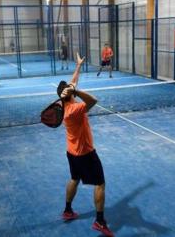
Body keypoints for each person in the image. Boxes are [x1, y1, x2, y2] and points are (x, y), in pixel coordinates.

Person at [57, 53, 114, 237]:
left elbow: (73, 81)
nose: (73, 87)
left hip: (71, 152)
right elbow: (93, 101)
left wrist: (78, 66)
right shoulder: (74, 110)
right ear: (69, 94)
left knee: (74, 179)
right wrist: (76, 92)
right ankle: (99, 221)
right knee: (100, 184)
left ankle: (67, 210)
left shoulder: (62, 105)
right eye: (71, 89)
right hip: (85, 153)